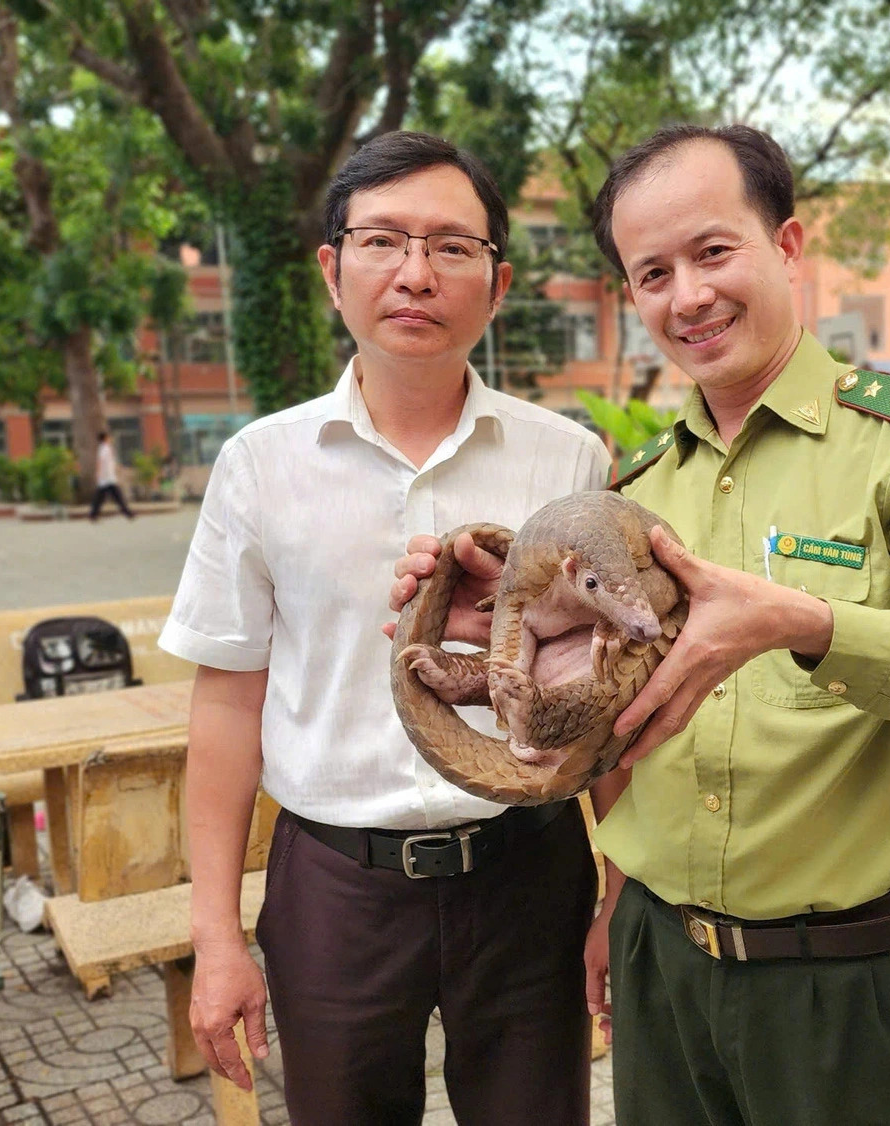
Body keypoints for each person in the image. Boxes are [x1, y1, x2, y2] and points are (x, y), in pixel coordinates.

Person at [398, 124, 890, 1124]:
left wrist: (802, 621)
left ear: (787, 246)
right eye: (652, 272)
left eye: (713, 252)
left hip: (849, 986)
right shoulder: (634, 497)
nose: (689, 296)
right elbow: (610, 728)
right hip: (658, 963)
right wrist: (498, 638)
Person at [161, 131, 611, 1126]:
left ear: (496, 285)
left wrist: (616, 893)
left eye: (452, 247)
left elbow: (604, 699)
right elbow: (227, 702)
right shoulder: (258, 464)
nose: (415, 273)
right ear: (332, 270)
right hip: (333, 888)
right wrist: (216, 934)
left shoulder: (567, 460)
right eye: (383, 241)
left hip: (527, 872)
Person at [89, 430, 135, 522]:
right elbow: (100, 461)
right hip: (107, 478)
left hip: (107, 477)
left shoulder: (103, 448)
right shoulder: (105, 448)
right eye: (109, 437)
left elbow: (109, 462)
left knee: (100, 498)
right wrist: (98, 473)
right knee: (117, 497)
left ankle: (93, 515)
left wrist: (117, 468)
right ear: (105, 438)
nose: (110, 439)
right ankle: (128, 513)